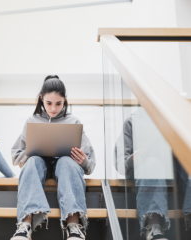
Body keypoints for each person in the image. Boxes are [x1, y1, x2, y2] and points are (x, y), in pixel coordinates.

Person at [10, 75, 96, 240]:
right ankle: (24, 226)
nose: (54, 109)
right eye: (49, 103)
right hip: (38, 166)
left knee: (66, 162)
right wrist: (30, 153)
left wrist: (83, 160)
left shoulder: (74, 121)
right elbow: (16, 155)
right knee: (34, 161)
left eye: (59, 103)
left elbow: (90, 165)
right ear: (41, 99)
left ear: (65, 100)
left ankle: (74, 227)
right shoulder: (32, 120)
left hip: (65, 168)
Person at [114, 110, 191, 240]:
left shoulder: (173, 119)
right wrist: (132, 160)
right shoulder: (132, 121)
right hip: (143, 168)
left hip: (170, 170)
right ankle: (153, 227)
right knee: (152, 163)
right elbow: (120, 162)